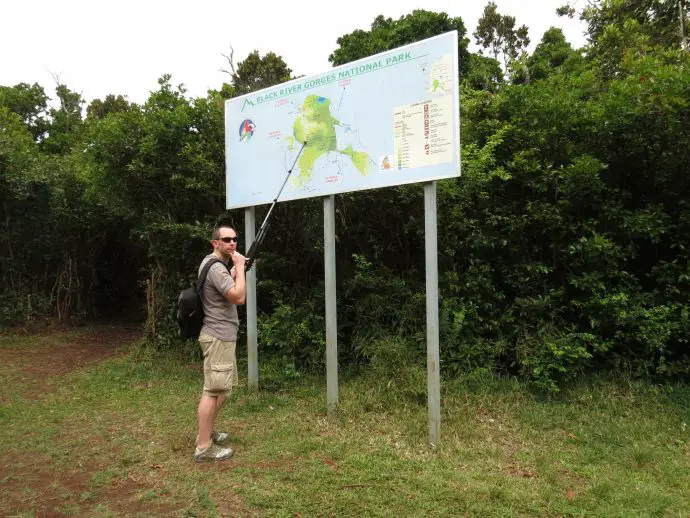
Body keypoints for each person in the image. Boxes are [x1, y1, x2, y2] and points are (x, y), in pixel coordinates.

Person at [194, 225, 246, 463]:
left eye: (235, 239)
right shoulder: (217, 267)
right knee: (212, 391)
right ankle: (204, 447)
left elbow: (225, 287)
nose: (232, 243)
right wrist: (241, 269)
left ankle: (208, 432)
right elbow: (238, 297)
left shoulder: (212, 264)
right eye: (226, 239)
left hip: (221, 335)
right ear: (215, 243)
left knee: (221, 388)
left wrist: (234, 272)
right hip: (218, 335)